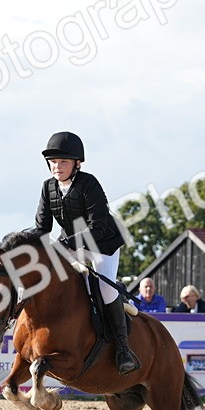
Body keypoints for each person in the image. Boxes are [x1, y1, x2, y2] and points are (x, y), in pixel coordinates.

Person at [32, 131, 139, 374]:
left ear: (76, 163)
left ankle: (123, 349)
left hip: (102, 245)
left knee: (104, 289)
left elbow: (97, 227)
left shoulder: (89, 183)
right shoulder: (48, 187)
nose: (57, 167)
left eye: (63, 162)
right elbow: (42, 227)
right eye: (53, 162)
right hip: (71, 244)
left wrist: (67, 243)